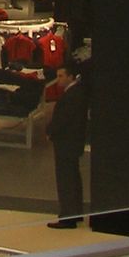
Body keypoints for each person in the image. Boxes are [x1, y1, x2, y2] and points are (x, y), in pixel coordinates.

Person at [47, 57, 89, 229]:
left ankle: (68, 216)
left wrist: (50, 131)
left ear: (71, 77)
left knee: (66, 179)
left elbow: (63, 119)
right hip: (71, 142)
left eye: (61, 76)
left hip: (67, 143)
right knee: (72, 178)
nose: (59, 80)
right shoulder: (76, 93)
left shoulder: (73, 95)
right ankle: (75, 212)